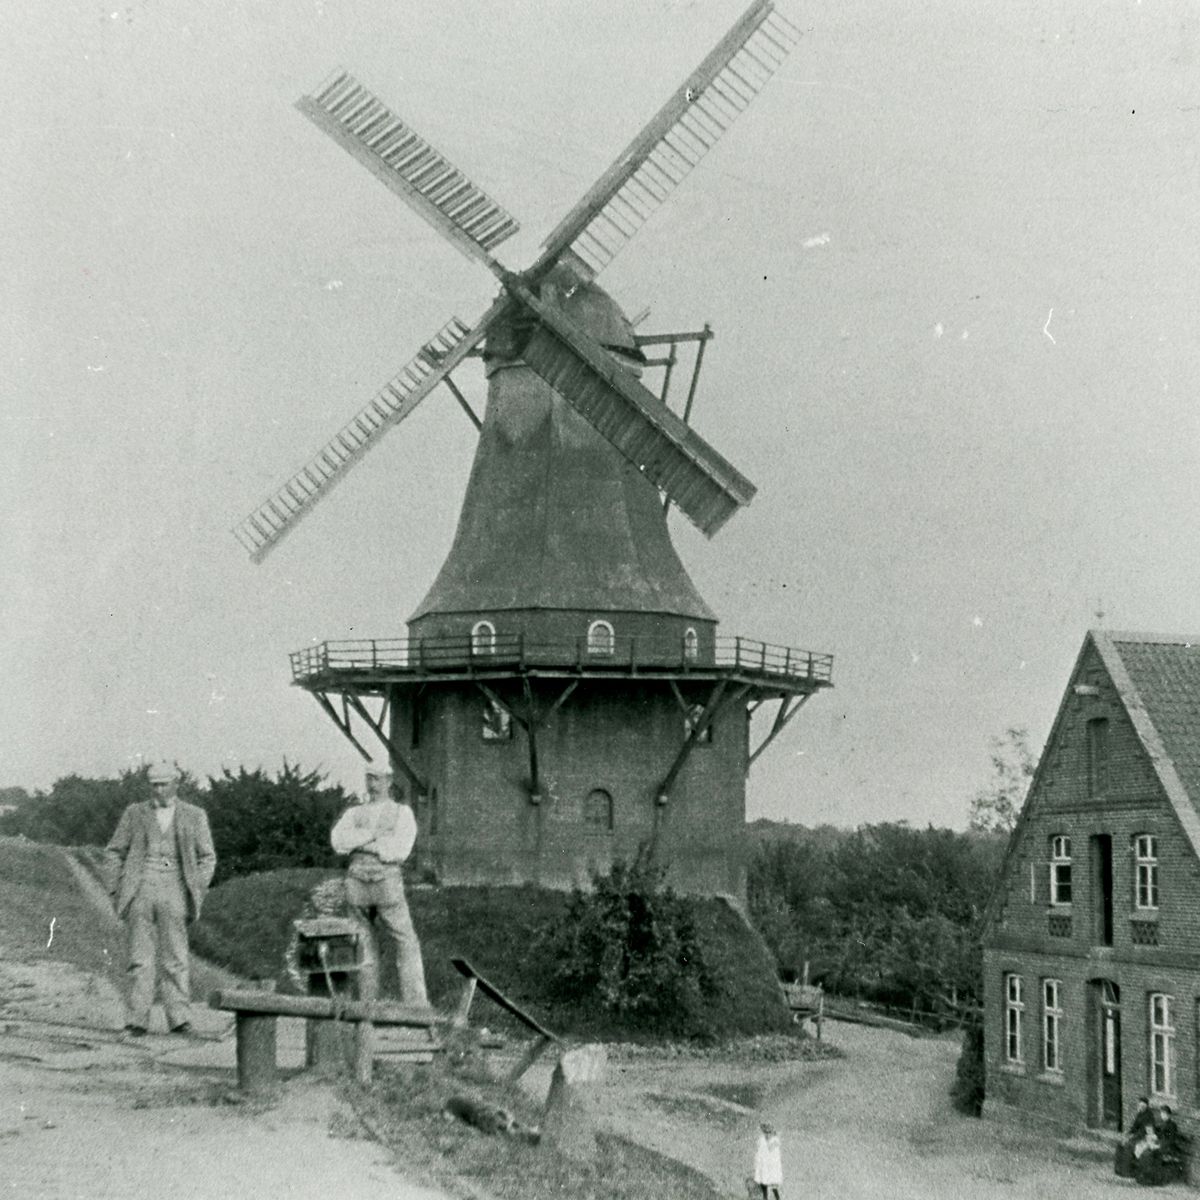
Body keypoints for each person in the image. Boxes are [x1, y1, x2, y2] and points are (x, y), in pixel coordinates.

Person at [105, 761, 217, 1036]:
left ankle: (180, 1020)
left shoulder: (194, 815)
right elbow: (114, 852)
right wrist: (116, 890)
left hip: (176, 891)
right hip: (140, 890)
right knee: (139, 959)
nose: (158, 790)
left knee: (175, 957)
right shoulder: (135, 813)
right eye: (154, 785)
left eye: (164, 784)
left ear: (176, 784)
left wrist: (196, 887)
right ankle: (136, 1020)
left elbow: (207, 857)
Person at [330, 768, 429, 1007]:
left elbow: (399, 850)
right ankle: (368, 1005)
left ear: (389, 781)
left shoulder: (402, 813)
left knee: (405, 941)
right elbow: (338, 842)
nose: (372, 784)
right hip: (356, 883)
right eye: (369, 778)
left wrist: (361, 843)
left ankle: (415, 1007)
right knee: (363, 942)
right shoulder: (354, 812)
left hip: (386, 882)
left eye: (377, 779)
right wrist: (375, 837)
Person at [1116, 1098, 1154, 1177]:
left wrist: (1133, 1137)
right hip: (1137, 1135)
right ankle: (1119, 1169)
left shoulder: (1149, 1116)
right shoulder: (1139, 1114)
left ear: (1146, 1106)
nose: (1141, 1107)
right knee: (1120, 1144)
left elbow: (1146, 1130)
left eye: (1143, 1106)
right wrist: (1128, 1133)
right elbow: (1135, 1126)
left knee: (1129, 1146)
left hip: (1144, 1137)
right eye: (1140, 1105)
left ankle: (1127, 1171)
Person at [753, 1122, 783, 1200]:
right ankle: (765, 1197)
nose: (767, 1134)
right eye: (765, 1132)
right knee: (763, 1182)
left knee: (773, 1185)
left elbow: (771, 1148)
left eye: (769, 1132)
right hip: (764, 1165)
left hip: (772, 1166)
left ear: (772, 1132)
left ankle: (777, 1198)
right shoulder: (762, 1140)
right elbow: (759, 1151)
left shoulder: (775, 1140)